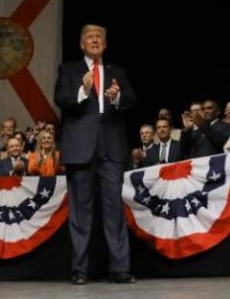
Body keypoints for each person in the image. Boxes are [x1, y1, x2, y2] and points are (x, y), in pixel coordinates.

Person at [54, 24, 137, 285]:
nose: (95, 40)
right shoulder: (69, 69)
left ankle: (120, 269)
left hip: (111, 147)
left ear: (105, 43)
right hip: (80, 148)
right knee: (80, 212)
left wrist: (117, 97)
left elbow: (132, 99)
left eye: (99, 37)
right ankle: (80, 271)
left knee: (114, 210)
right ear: (81, 44)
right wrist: (83, 90)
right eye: (90, 37)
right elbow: (60, 97)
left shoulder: (117, 71)